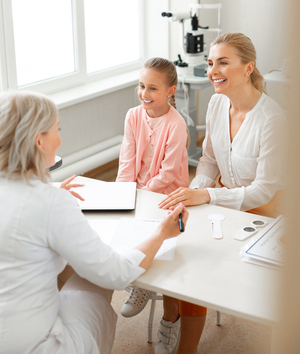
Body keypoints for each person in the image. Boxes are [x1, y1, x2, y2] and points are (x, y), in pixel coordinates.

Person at [0, 90, 189, 354]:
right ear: (39, 141)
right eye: (57, 130)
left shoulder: (44, 197)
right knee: (98, 275)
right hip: (36, 347)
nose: (60, 139)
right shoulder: (49, 202)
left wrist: (52, 191)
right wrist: (161, 233)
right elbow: (115, 273)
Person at [156, 33, 288, 354]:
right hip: (223, 201)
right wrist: (193, 191)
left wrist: (208, 198)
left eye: (224, 62)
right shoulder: (216, 103)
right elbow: (209, 162)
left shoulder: (272, 119)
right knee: (179, 242)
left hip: (264, 211)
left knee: (202, 267)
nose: (213, 70)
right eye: (212, 62)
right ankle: (170, 317)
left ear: (248, 68)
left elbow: (261, 191)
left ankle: (186, 349)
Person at [116, 58, 189, 331]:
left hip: (166, 194)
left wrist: (143, 196)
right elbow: (126, 160)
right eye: (141, 86)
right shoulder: (133, 116)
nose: (144, 94)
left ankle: (144, 284)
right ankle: (139, 279)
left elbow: (168, 174)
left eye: (152, 89)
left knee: (154, 234)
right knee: (123, 229)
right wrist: (124, 194)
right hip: (138, 190)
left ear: (170, 91)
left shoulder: (176, 124)